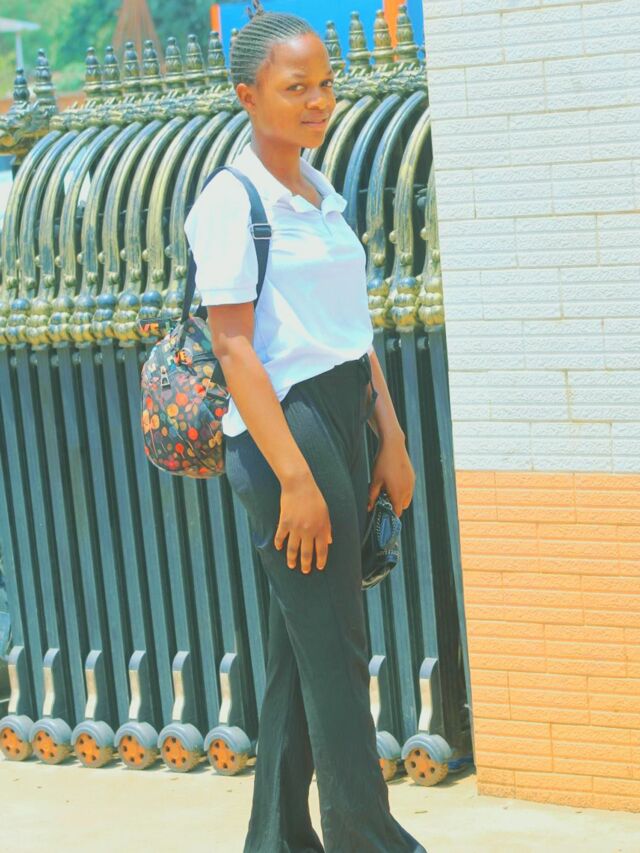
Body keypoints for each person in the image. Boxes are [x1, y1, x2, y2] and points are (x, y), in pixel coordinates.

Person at [184, 3, 424, 851]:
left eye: (325, 83)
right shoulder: (232, 200)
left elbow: (350, 333)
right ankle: (369, 837)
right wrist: (294, 477)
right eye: (296, 87)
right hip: (288, 429)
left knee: (303, 650)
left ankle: (278, 839)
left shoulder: (320, 191)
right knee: (338, 655)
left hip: (345, 411)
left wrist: (390, 435)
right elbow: (234, 346)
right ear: (247, 95)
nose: (318, 100)